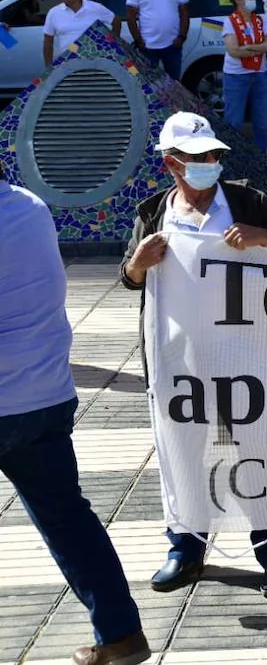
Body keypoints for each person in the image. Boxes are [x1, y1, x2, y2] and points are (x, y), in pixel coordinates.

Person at [119, 112, 267, 596]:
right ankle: (185, 549)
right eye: (196, 158)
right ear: (171, 163)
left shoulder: (248, 202)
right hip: (177, 358)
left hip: (245, 354)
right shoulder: (154, 211)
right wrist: (138, 264)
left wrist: (264, 239)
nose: (208, 164)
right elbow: (130, 277)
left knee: (258, 451)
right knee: (183, 454)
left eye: (214, 156)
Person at [2, 174, 151, 665]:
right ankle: (122, 634)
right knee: (68, 519)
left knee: (66, 518)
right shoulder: (29, 206)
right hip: (44, 395)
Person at [220, 0, 267, 151]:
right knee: (234, 122)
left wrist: (250, 47)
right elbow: (234, 50)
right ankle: (233, 159)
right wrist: (261, 48)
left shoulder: (260, 20)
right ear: (238, 0)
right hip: (236, 77)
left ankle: (262, 158)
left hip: (260, 75)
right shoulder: (230, 21)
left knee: (262, 123)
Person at [43, 0, 120, 67]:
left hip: (95, 64)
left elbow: (116, 21)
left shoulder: (96, 8)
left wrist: (111, 44)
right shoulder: (54, 12)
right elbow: (48, 42)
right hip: (67, 65)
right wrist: (48, 67)